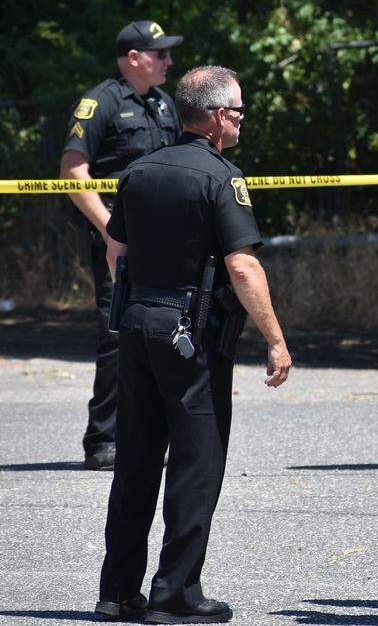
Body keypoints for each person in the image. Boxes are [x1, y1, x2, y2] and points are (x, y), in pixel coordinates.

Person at [95, 65, 291, 624]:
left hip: (135, 323)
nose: (241, 121)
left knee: (135, 458)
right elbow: (242, 264)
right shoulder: (221, 177)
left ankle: (117, 592)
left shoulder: (137, 172)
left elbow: (117, 251)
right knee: (195, 462)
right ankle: (175, 593)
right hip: (191, 332)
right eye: (238, 112)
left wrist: (139, 301)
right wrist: (275, 340)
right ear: (214, 118)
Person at [60, 20, 183, 471]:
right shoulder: (100, 102)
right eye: (161, 54)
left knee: (168, 330)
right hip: (119, 237)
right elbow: (73, 173)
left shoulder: (165, 104)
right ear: (135, 58)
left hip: (167, 237)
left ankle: (154, 433)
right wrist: (112, 230)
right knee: (118, 336)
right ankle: (103, 439)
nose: (169, 61)